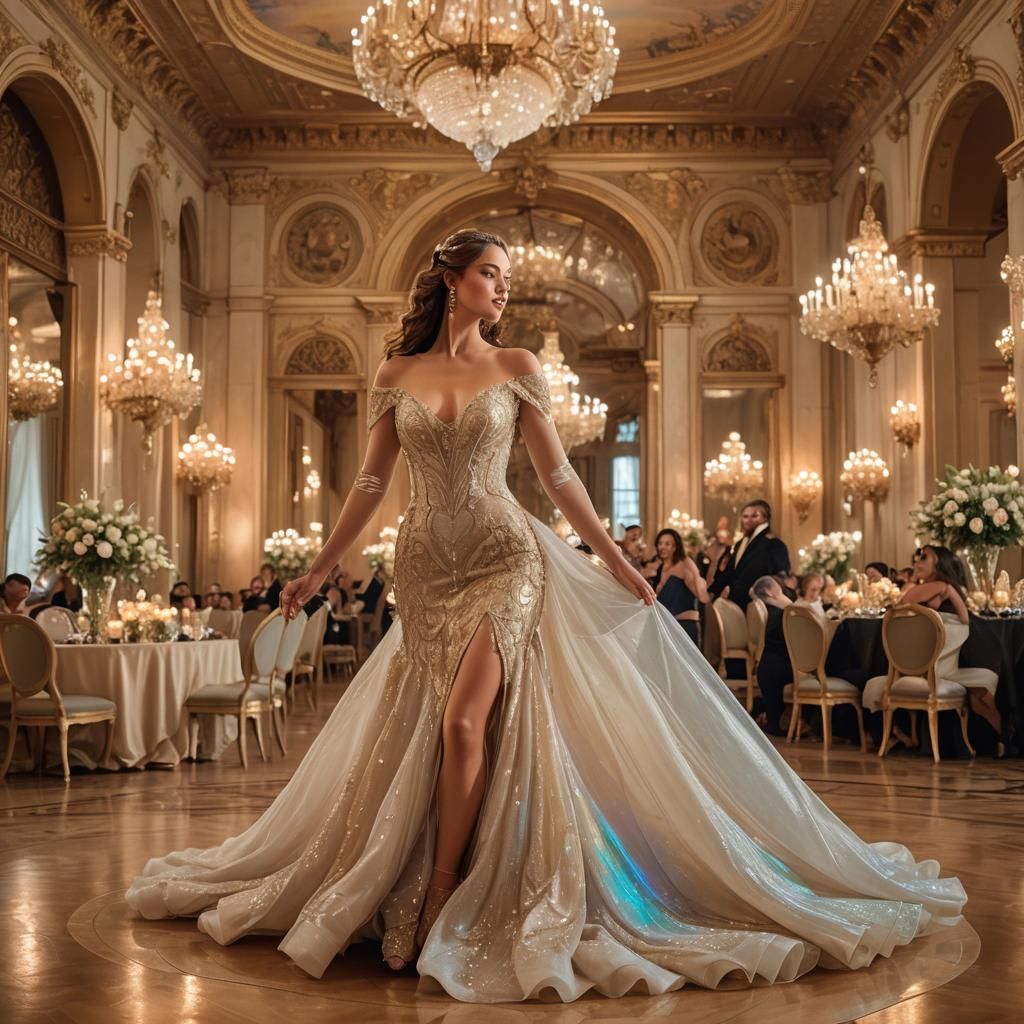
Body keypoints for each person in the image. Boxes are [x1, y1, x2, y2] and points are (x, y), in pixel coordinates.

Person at [127, 228, 966, 1003]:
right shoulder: (395, 375)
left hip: (504, 560)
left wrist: (617, 563)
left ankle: (446, 886)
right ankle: (414, 867)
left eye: (505, 278)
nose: (501, 289)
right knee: (435, 721)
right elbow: (373, 487)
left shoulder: (518, 362)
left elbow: (561, 480)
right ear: (450, 281)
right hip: (422, 568)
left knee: (464, 722)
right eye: (489, 274)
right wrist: (314, 570)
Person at [869, 545, 1001, 742]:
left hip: (933, 662)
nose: (916, 562)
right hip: (948, 658)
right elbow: (965, 618)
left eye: (923, 558)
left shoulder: (938, 586)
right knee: (980, 697)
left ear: (939, 564)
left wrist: (930, 588)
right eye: (917, 558)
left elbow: (900, 606)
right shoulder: (945, 587)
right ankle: (1006, 739)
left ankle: (1007, 737)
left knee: (980, 697)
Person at [709, 500, 790, 609]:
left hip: (761, 606)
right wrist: (712, 592)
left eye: (754, 516)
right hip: (736, 603)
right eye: (745, 516)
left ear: (765, 518)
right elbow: (730, 574)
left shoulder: (774, 544)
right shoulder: (739, 544)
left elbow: (782, 577)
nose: (748, 520)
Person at [750, 575, 793, 738]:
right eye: (779, 589)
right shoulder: (780, 614)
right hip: (779, 667)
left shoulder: (771, 612)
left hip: (768, 667)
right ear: (770, 592)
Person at [650, 528, 709, 645]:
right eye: (660, 543)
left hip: (684, 627)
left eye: (668, 544)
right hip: (665, 628)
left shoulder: (683, 566)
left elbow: (703, 597)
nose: (662, 547)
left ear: (675, 547)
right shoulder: (659, 569)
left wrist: (694, 570)